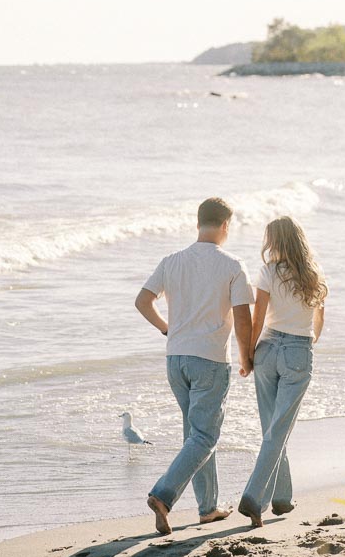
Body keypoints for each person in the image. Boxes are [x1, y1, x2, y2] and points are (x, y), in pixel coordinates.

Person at [135, 196, 254, 535]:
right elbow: (243, 318)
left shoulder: (172, 261)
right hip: (210, 359)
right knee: (204, 435)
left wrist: (166, 328)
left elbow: (142, 301)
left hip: (176, 359)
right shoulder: (232, 265)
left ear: (198, 222)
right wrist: (247, 356)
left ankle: (208, 507)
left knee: (196, 435)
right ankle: (163, 494)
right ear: (226, 226)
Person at [238, 216, 327, 528]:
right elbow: (318, 323)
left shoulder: (268, 271)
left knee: (272, 429)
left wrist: (248, 355)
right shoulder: (314, 273)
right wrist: (305, 342)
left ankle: (281, 498)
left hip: (267, 349)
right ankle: (254, 497)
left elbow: (258, 318)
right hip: (297, 352)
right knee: (279, 430)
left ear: (273, 241)